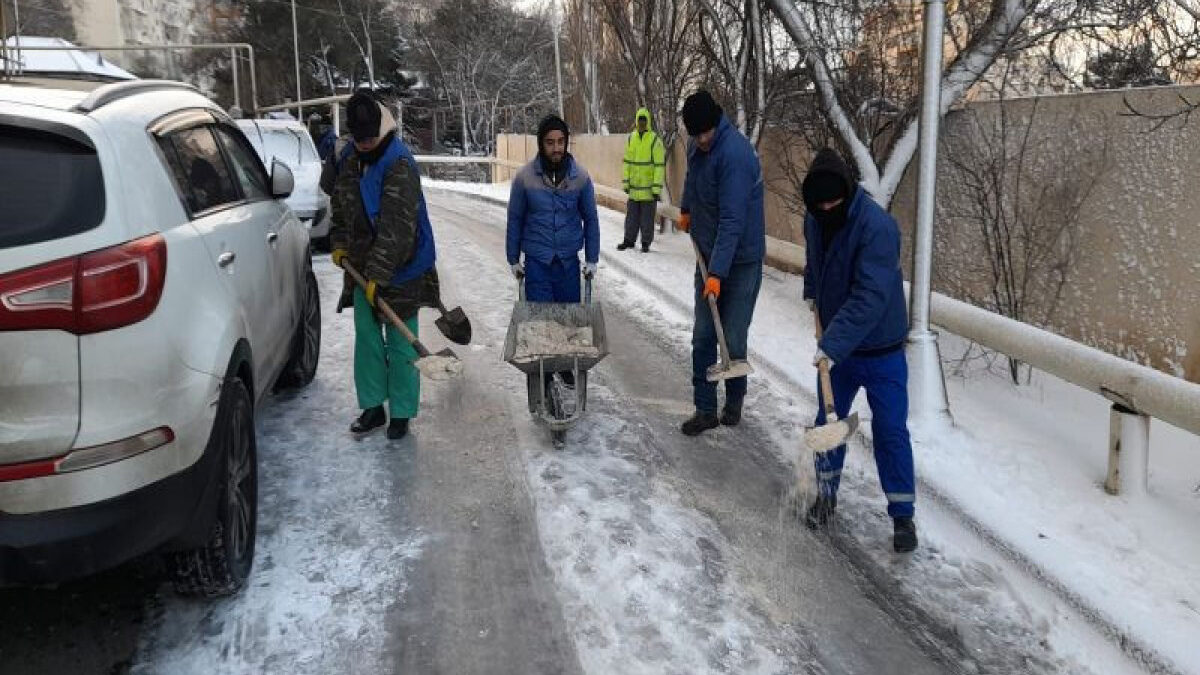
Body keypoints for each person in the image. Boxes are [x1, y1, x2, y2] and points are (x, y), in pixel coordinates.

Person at [801, 147, 917, 553]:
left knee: (889, 430)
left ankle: (903, 516)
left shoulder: (877, 228)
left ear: (848, 194)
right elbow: (815, 263)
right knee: (828, 422)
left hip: (881, 350)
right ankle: (826, 496)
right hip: (840, 351)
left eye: (834, 202)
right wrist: (812, 293)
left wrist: (830, 344)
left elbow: (870, 296)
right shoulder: (815, 218)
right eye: (820, 205)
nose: (827, 209)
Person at [322, 91, 441, 441]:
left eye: (370, 138)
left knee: (402, 343)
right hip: (361, 266)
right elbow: (341, 206)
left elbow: (397, 230)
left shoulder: (398, 163)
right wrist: (340, 243)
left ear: (380, 128)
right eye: (359, 139)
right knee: (368, 337)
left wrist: (379, 275)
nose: (364, 145)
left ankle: (401, 413)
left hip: (403, 266)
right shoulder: (349, 157)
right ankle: (373, 407)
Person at [677, 90, 765, 436]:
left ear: (716, 122)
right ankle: (705, 408)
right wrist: (686, 208)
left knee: (732, 335)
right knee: (702, 334)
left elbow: (733, 221)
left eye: (705, 133)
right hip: (708, 254)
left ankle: (734, 400)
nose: (701, 140)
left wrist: (717, 274)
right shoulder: (697, 146)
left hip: (740, 260)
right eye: (695, 134)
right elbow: (692, 180)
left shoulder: (735, 155)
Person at [506, 114, 601, 393]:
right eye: (550, 142)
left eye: (561, 142)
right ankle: (546, 371)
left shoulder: (580, 178)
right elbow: (515, 218)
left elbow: (591, 219)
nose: (556, 148)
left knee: (568, 322)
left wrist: (592, 258)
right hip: (537, 263)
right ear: (541, 144)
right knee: (541, 323)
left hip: (568, 263)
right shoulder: (525, 178)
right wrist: (513, 259)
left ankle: (565, 366)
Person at [617, 107, 666, 253]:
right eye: (640, 120)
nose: (642, 123)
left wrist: (656, 188)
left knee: (647, 219)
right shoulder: (631, 138)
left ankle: (645, 243)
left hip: (649, 190)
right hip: (634, 189)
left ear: (648, 122)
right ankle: (629, 240)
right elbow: (627, 162)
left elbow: (659, 166)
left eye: (644, 121)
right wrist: (626, 182)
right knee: (631, 218)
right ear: (637, 121)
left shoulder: (654, 140)